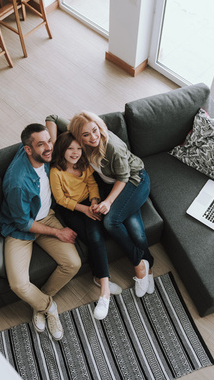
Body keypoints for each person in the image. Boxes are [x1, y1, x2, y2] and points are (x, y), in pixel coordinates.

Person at [47, 113, 155, 297]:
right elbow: (52, 117)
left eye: (95, 130)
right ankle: (145, 264)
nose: (93, 137)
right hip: (113, 185)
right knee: (134, 228)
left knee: (112, 222)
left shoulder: (112, 146)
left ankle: (142, 268)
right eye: (86, 135)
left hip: (134, 180)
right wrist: (53, 149)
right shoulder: (79, 135)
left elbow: (123, 177)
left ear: (100, 126)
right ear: (78, 135)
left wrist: (108, 201)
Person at [0, 123, 81, 341]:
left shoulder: (45, 155)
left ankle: (39, 303)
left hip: (46, 216)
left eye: (49, 142)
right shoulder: (17, 182)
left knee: (73, 263)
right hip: (20, 228)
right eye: (41, 144)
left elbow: (51, 121)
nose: (48, 148)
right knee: (18, 284)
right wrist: (57, 233)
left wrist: (50, 136)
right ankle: (49, 306)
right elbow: (23, 223)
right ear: (27, 149)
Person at [49, 131, 122, 321]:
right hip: (71, 209)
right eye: (70, 149)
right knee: (94, 237)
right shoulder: (56, 172)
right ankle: (104, 291)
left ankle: (99, 279)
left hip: (89, 203)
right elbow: (61, 199)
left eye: (79, 149)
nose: (75, 153)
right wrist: (84, 209)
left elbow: (91, 183)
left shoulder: (83, 163)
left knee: (96, 235)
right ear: (62, 150)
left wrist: (95, 201)